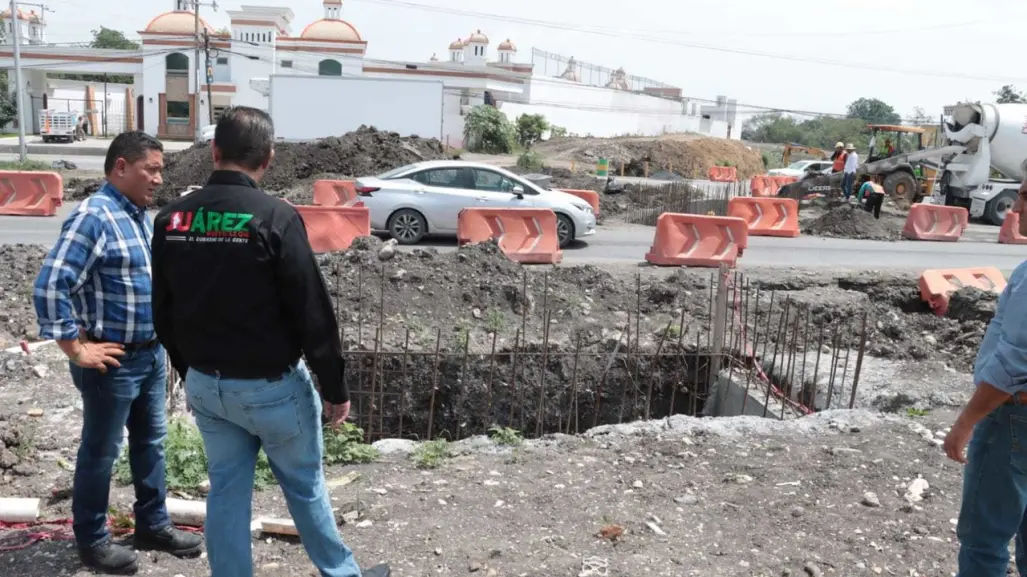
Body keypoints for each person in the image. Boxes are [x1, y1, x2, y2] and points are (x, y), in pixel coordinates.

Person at [150, 106, 390, 577]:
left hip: (208, 386)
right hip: (271, 390)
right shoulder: (276, 217)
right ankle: (342, 575)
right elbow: (311, 312)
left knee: (226, 490)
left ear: (214, 152)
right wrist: (334, 388)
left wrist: (190, 369)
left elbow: (164, 310)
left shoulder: (172, 219)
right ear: (268, 158)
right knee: (304, 485)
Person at [32, 131, 204, 575]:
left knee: (151, 445)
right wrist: (74, 347)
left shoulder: (139, 217)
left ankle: (153, 524)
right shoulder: (94, 216)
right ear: (120, 167)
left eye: (161, 168)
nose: (159, 178)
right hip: (111, 360)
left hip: (147, 356)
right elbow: (51, 284)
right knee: (101, 451)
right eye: (152, 168)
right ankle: (91, 538)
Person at [945, 178, 1027, 577]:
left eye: (1026, 196)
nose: (1016, 207)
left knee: (984, 542)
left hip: (1013, 415)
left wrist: (965, 423)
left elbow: (1015, 362)